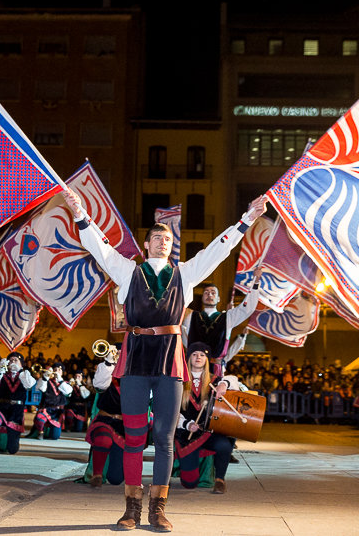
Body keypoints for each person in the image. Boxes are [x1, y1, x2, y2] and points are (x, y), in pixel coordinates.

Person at [64, 188, 267, 531]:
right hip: (137, 359)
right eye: (156, 238)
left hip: (170, 361)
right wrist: (80, 212)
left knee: (163, 438)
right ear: (146, 245)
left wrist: (247, 219)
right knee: (133, 436)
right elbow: (98, 247)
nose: (162, 242)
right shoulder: (128, 271)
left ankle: (158, 508)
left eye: (167, 239)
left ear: (172, 246)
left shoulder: (186, 274)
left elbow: (218, 250)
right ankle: (131, 509)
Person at [174, 343, 240, 494]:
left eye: (202, 355)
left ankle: (220, 480)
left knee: (224, 445)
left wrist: (224, 384)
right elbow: (172, 412)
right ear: (189, 358)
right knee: (189, 484)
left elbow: (234, 381)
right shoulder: (179, 381)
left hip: (208, 433)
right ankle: (192, 468)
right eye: (195, 355)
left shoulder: (215, 381)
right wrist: (186, 424)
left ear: (207, 359)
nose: (198, 358)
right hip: (187, 435)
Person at [182, 277, 261, 378]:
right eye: (206, 292)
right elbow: (184, 338)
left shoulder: (228, 317)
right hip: (194, 369)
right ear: (202, 297)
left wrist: (255, 283)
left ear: (218, 298)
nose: (209, 294)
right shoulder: (190, 316)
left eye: (213, 292)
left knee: (214, 393)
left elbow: (246, 309)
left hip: (215, 370)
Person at [85, 348, 127, 487]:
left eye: (123, 352)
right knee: (103, 440)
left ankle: (112, 473)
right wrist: (109, 362)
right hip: (105, 419)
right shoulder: (106, 369)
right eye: (117, 352)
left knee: (116, 479)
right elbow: (99, 385)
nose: (119, 355)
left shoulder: (133, 371)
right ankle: (96, 474)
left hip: (123, 425)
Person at [0, 351, 35, 455]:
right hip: (2, 406)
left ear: (21, 364)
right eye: (11, 360)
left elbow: (29, 385)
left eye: (16, 360)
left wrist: (20, 371)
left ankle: (7, 442)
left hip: (16, 410)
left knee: (12, 449)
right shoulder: (1, 373)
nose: (13, 362)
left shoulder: (25, 374)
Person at [26, 363, 72, 440]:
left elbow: (68, 392)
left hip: (57, 412)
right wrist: (45, 377)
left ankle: (49, 431)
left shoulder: (65, 383)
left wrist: (60, 380)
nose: (57, 371)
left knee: (54, 437)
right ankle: (40, 432)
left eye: (60, 370)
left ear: (62, 372)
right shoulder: (45, 380)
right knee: (39, 419)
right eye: (55, 369)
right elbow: (41, 389)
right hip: (46, 409)